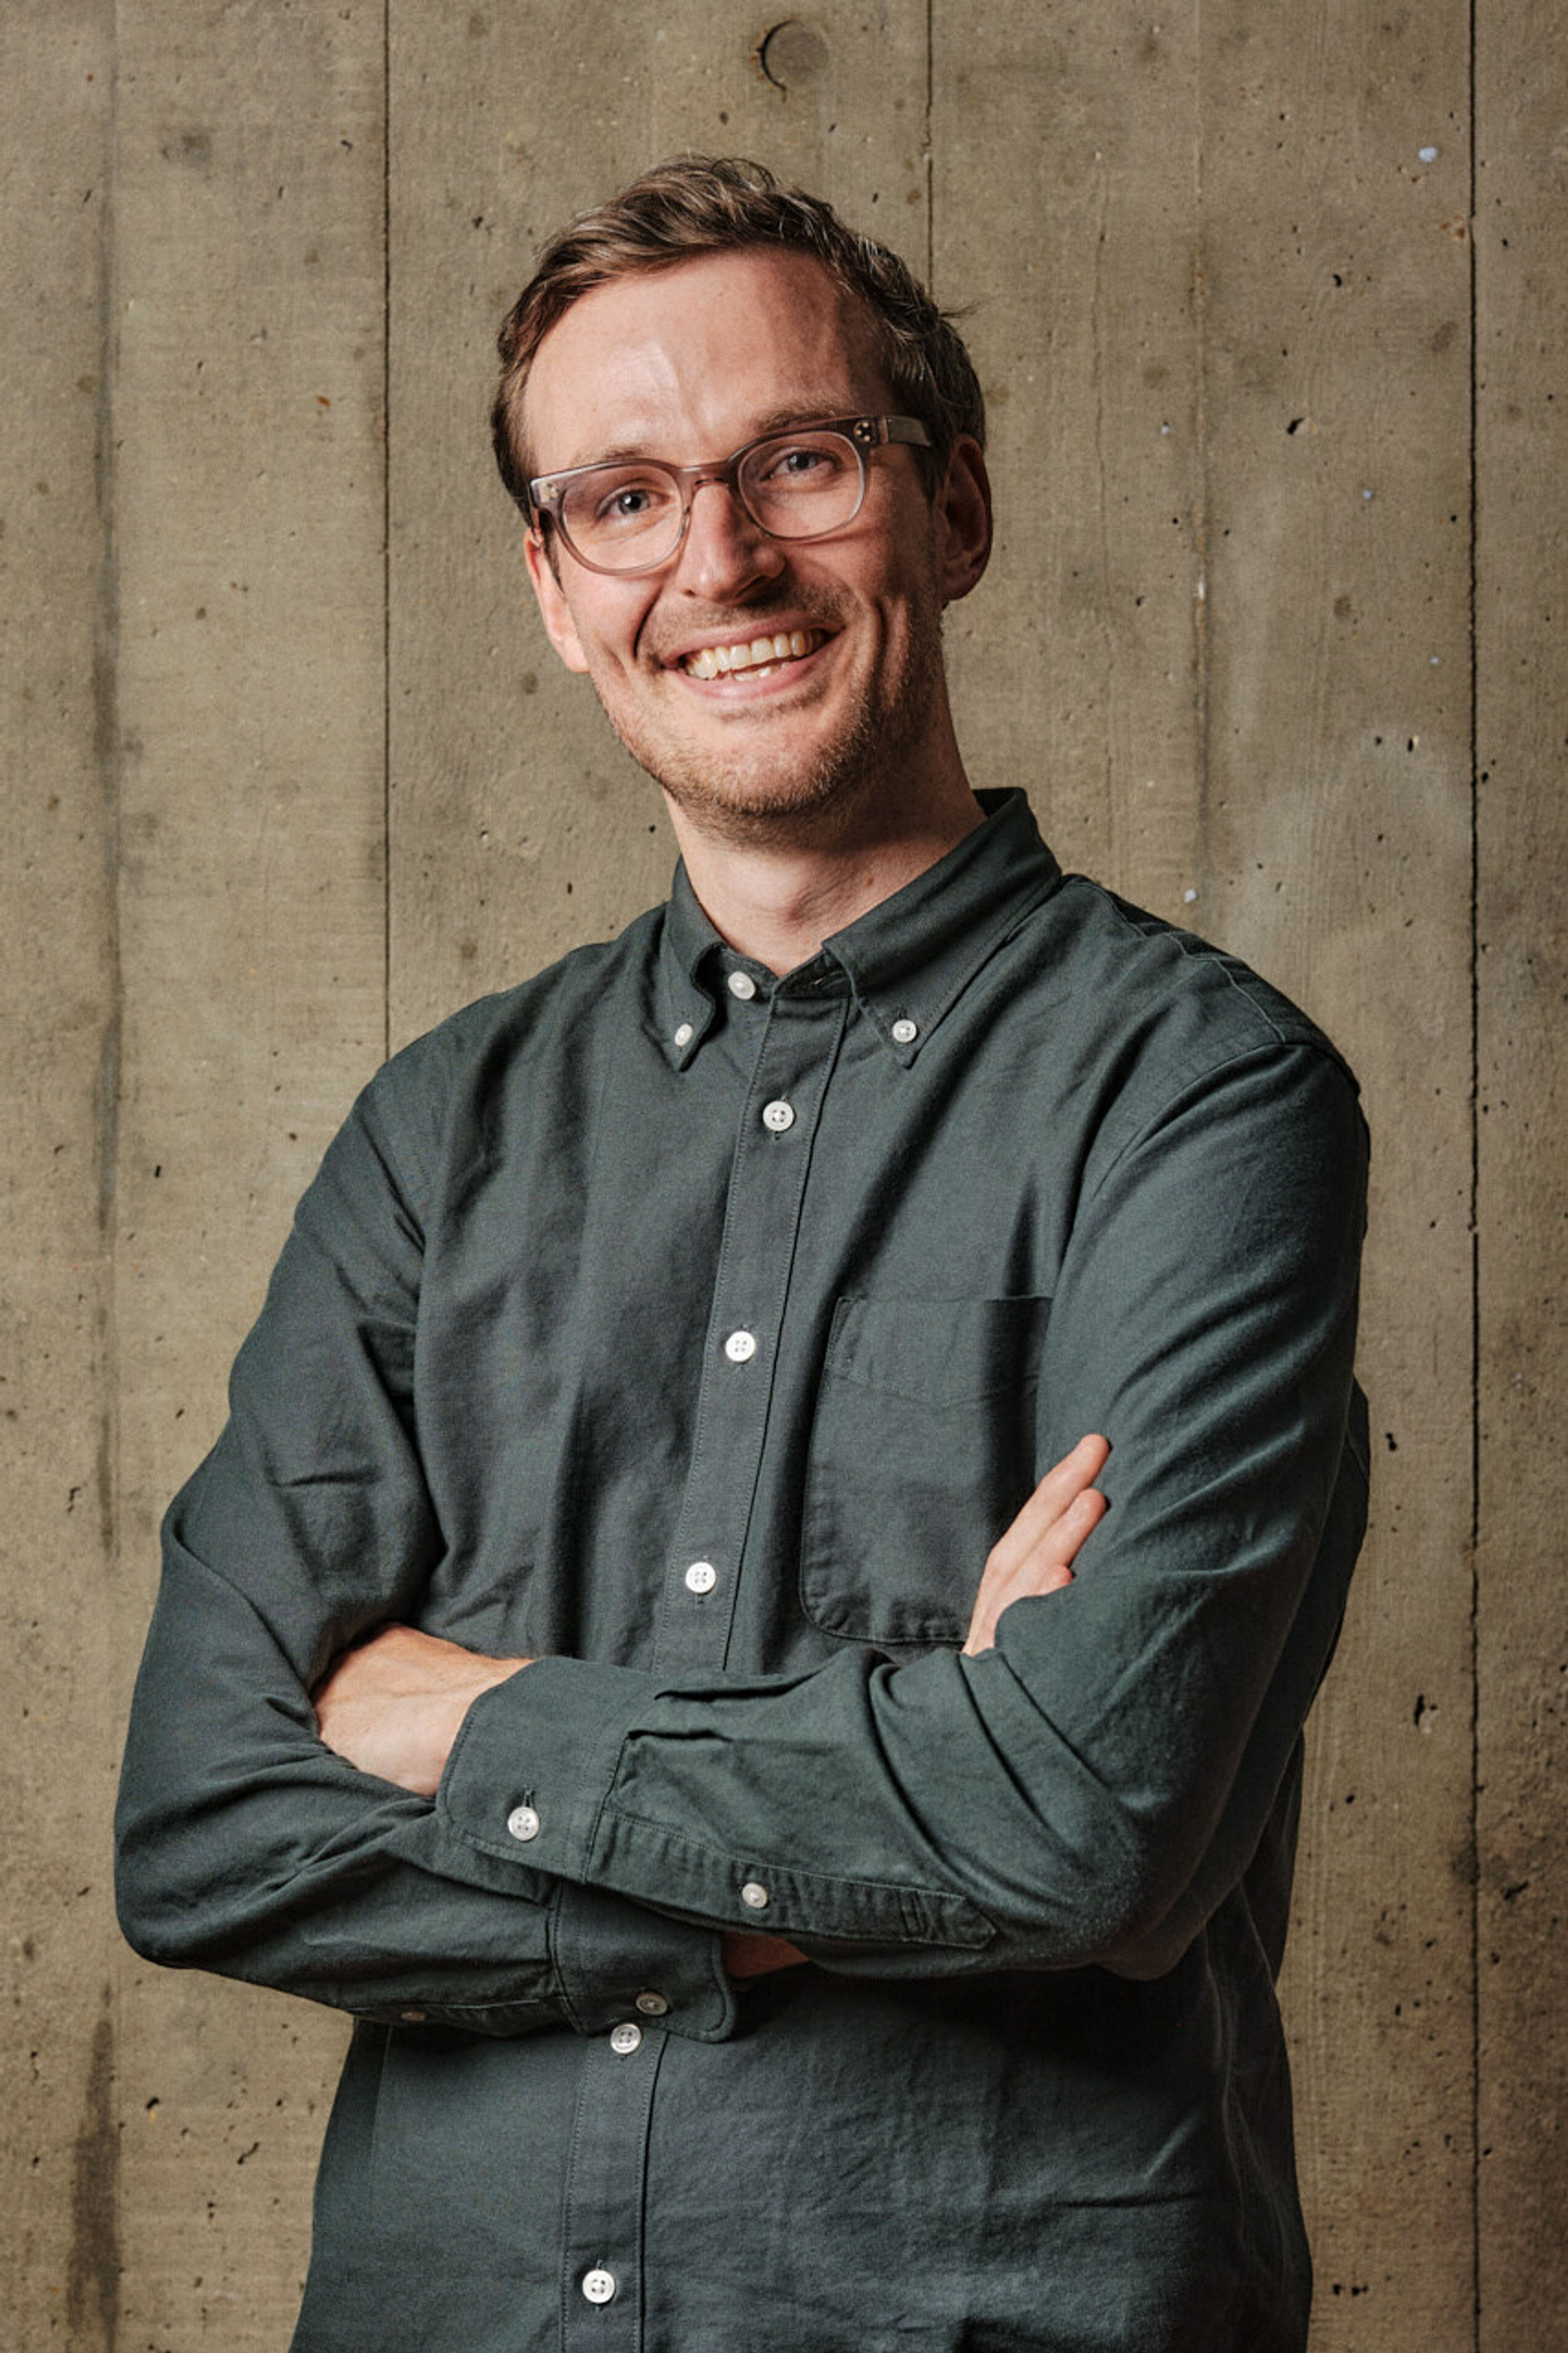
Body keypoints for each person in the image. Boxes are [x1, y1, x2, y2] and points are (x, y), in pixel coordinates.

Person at [116, 156, 1370, 2352]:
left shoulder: (1203, 1099)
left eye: (800, 459)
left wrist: (465, 1714)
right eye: (622, 495)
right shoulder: (437, 1134)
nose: (719, 560)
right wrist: (872, 1814)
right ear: (549, 579)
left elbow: (1084, 1829)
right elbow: (207, 1826)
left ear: (953, 509)